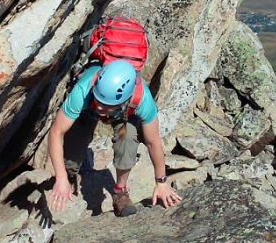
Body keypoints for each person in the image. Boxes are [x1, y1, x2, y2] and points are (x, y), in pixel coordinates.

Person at [47, 60, 182, 216]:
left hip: (123, 114)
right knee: (71, 157)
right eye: (99, 101)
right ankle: (69, 177)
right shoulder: (84, 90)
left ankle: (120, 191)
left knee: (128, 138)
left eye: (106, 105)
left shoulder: (143, 100)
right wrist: (61, 176)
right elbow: (56, 132)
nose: (100, 108)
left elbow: (153, 142)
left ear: (126, 99)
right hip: (87, 109)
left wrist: (161, 182)